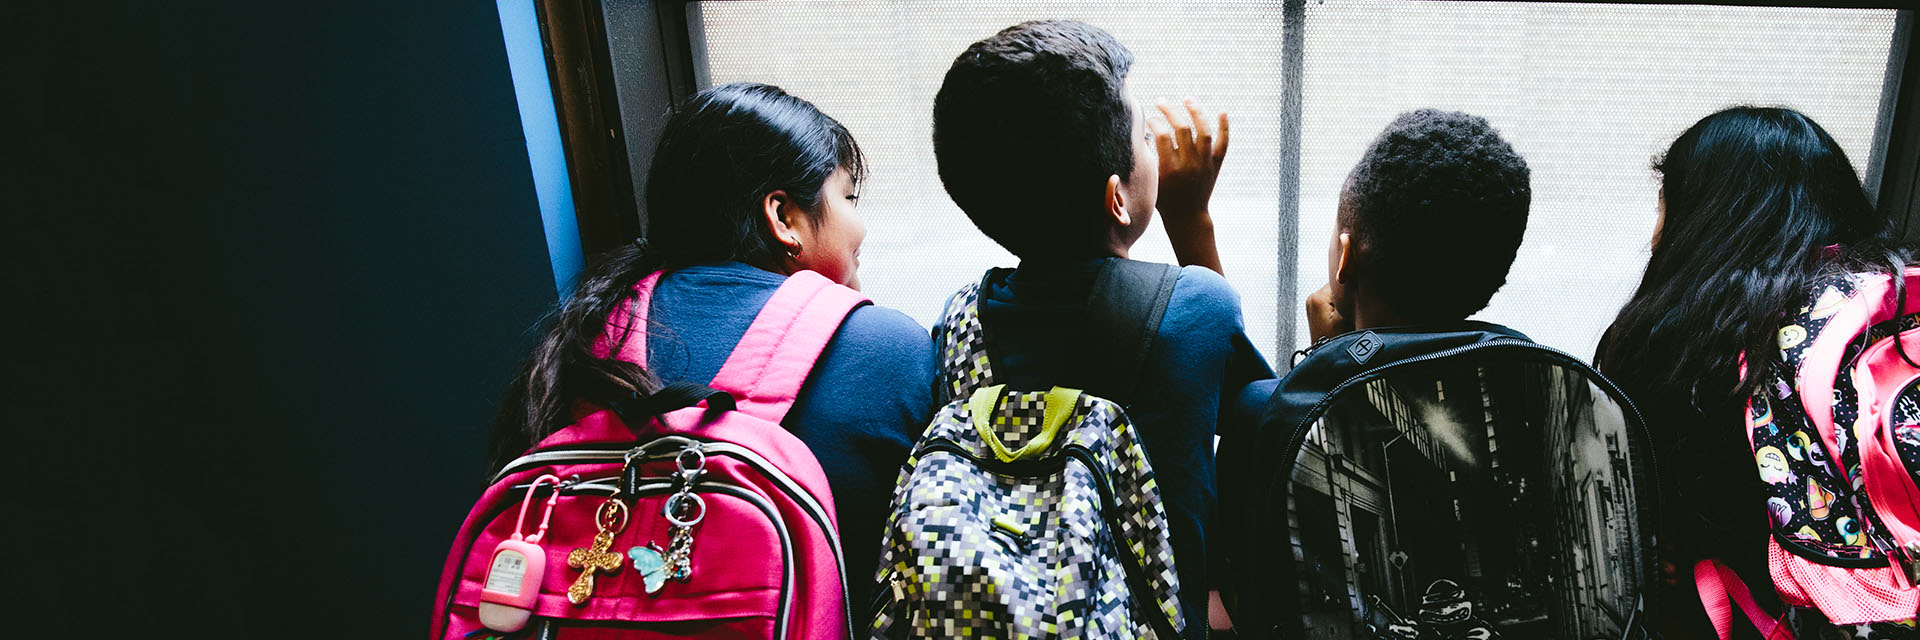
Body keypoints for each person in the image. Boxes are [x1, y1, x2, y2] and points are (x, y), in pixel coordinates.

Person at [486, 81, 935, 611]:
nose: (858, 227)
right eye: (847, 198)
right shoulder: (888, 348)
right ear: (783, 217)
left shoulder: (580, 341)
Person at [930, 20, 1274, 637]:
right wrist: (1191, 216)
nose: (1154, 146)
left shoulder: (957, 320)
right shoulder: (1197, 305)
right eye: (1144, 135)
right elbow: (1253, 418)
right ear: (1117, 197)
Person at [1594, 106, 1912, 638]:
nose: (1655, 236)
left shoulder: (1699, 346)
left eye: (1665, 210)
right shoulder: (1890, 296)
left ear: (1703, 224)